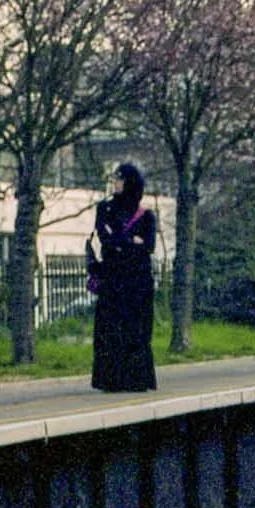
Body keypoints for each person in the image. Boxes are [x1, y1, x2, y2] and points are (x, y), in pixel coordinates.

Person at [88, 162, 157, 392]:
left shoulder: (146, 215)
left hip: (137, 281)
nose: (115, 183)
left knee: (135, 328)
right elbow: (105, 237)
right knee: (110, 328)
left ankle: (135, 378)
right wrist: (130, 242)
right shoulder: (105, 208)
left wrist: (122, 243)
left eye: (119, 179)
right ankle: (110, 379)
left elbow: (148, 245)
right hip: (113, 278)